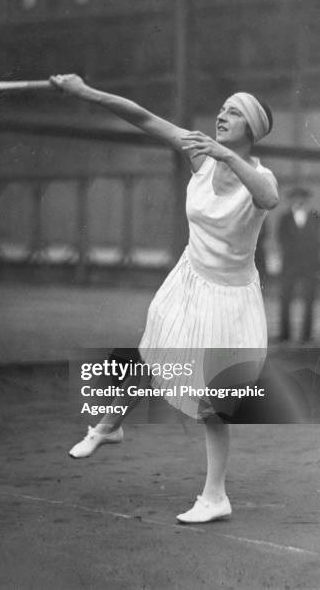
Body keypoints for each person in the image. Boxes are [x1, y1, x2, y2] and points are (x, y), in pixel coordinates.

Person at [50, 74, 278, 523]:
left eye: (233, 111)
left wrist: (225, 154)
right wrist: (86, 92)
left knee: (214, 400)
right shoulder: (200, 154)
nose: (221, 114)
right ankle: (108, 427)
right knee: (152, 354)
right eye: (222, 107)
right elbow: (143, 117)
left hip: (231, 297)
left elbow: (268, 197)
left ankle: (216, 497)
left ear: (251, 128)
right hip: (190, 277)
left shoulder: (259, 175)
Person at [277, 187, 319, 343]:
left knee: (309, 300)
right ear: (291, 199)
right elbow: (281, 240)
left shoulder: (316, 217)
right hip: (289, 265)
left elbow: (317, 241)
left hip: (310, 265)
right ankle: (284, 335)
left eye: (303, 197)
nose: (299, 200)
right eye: (296, 197)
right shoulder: (284, 218)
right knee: (285, 299)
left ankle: (307, 335)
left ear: (307, 199)